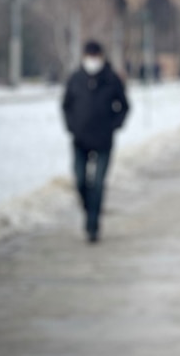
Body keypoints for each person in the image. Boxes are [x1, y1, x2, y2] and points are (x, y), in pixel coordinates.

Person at [61, 40, 129, 243]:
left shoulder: (111, 79)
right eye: (89, 56)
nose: (92, 60)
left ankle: (93, 225)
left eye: (95, 56)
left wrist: (114, 125)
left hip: (103, 140)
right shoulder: (76, 78)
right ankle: (88, 208)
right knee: (81, 180)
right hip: (80, 139)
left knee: (98, 184)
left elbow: (124, 106)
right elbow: (66, 105)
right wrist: (71, 126)